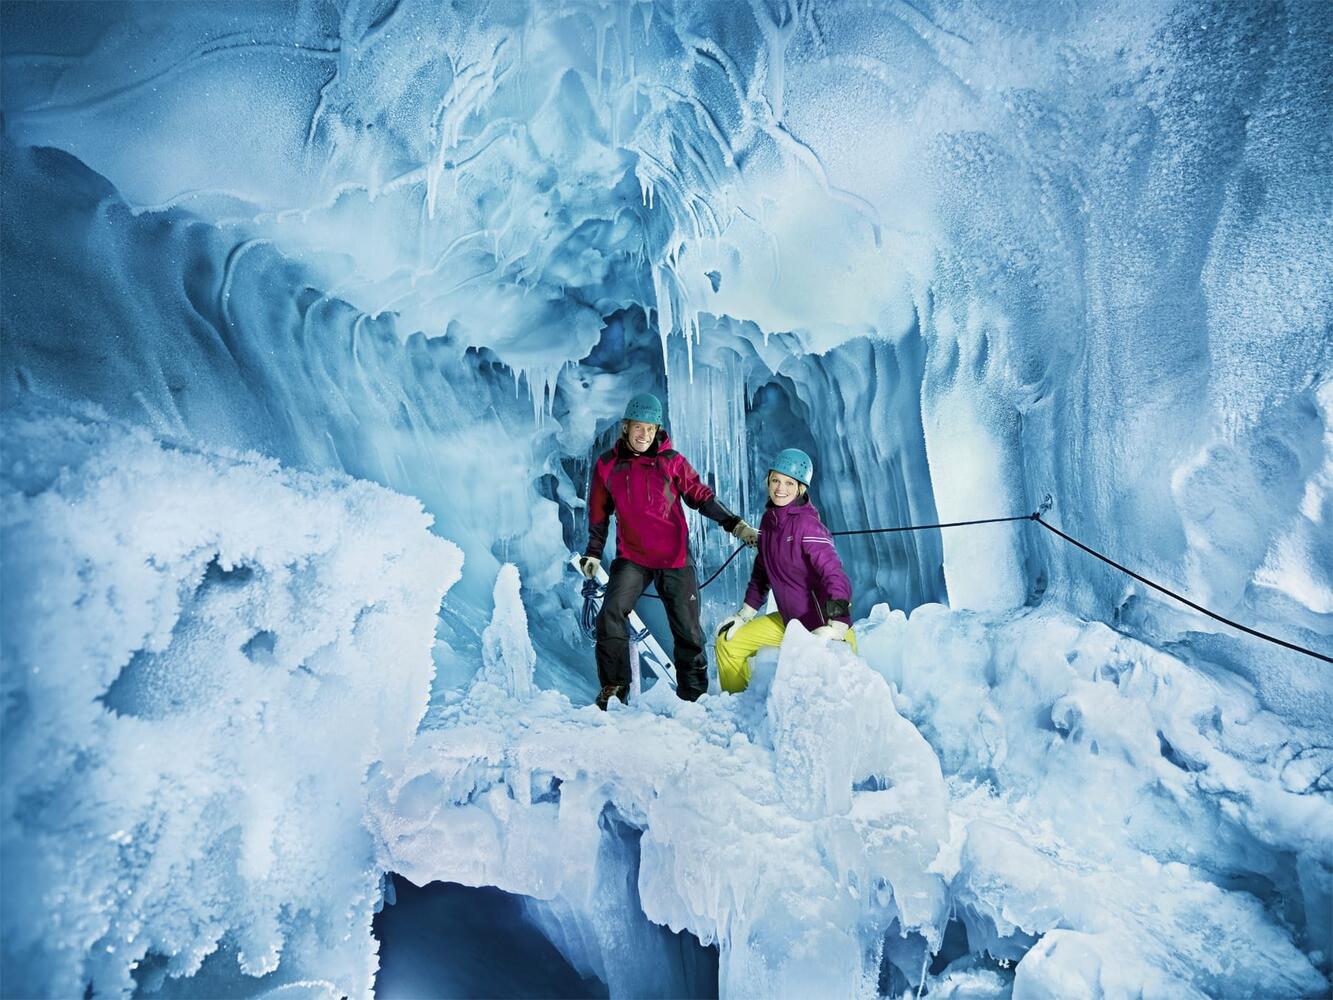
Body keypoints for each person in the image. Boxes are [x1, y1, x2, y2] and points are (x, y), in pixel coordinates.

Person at [577, 393, 758, 709]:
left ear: (657, 429)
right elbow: (598, 513)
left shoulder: (671, 461)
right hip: (632, 559)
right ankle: (615, 688)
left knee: (688, 630)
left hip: (675, 559)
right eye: (638, 427)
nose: (644, 435)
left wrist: (737, 526)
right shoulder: (608, 465)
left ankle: (694, 695)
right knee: (610, 616)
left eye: (650, 428)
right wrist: (593, 553)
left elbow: (701, 496)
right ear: (626, 427)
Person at [714, 448, 855, 693]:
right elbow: (761, 572)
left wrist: (837, 626)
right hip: (790, 623)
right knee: (728, 643)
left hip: (822, 629)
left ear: (801, 488)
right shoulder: (769, 521)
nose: (781, 488)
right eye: (776, 480)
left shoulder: (808, 525)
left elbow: (835, 576)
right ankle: (738, 707)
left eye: (789, 483)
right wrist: (744, 615)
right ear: (768, 481)